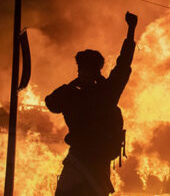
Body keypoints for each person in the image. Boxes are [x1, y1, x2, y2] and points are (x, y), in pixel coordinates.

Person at [45, 11, 137, 196]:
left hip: (89, 164)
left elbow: (123, 64)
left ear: (94, 70)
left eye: (84, 69)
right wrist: (73, 85)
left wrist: (131, 31)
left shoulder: (105, 93)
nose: (81, 72)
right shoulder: (84, 93)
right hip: (83, 162)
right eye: (80, 69)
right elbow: (51, 103)